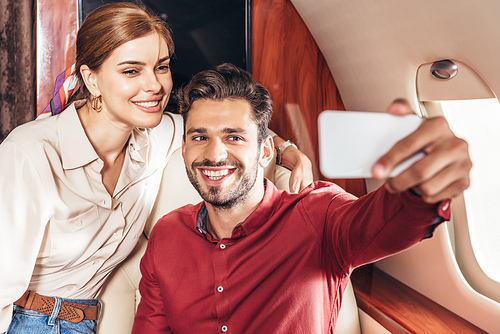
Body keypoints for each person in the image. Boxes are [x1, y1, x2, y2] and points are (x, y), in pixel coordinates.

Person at [0, 3, 313, 333]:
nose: (154, 86)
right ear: (91, 78)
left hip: (86, 323)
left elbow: (233, 128)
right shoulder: (29, 154)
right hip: (25, 321)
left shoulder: (156, 135)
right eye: (131, 71)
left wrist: (290, 152)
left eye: (161, 67)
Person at [132, 63, 472, 333]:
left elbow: (386, 221)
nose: (215, 153)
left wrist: (422, 188)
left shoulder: (317, 215)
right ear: (184, 149)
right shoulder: (167, 234)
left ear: (266, 151)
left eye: (234, 137)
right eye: (200, 137)